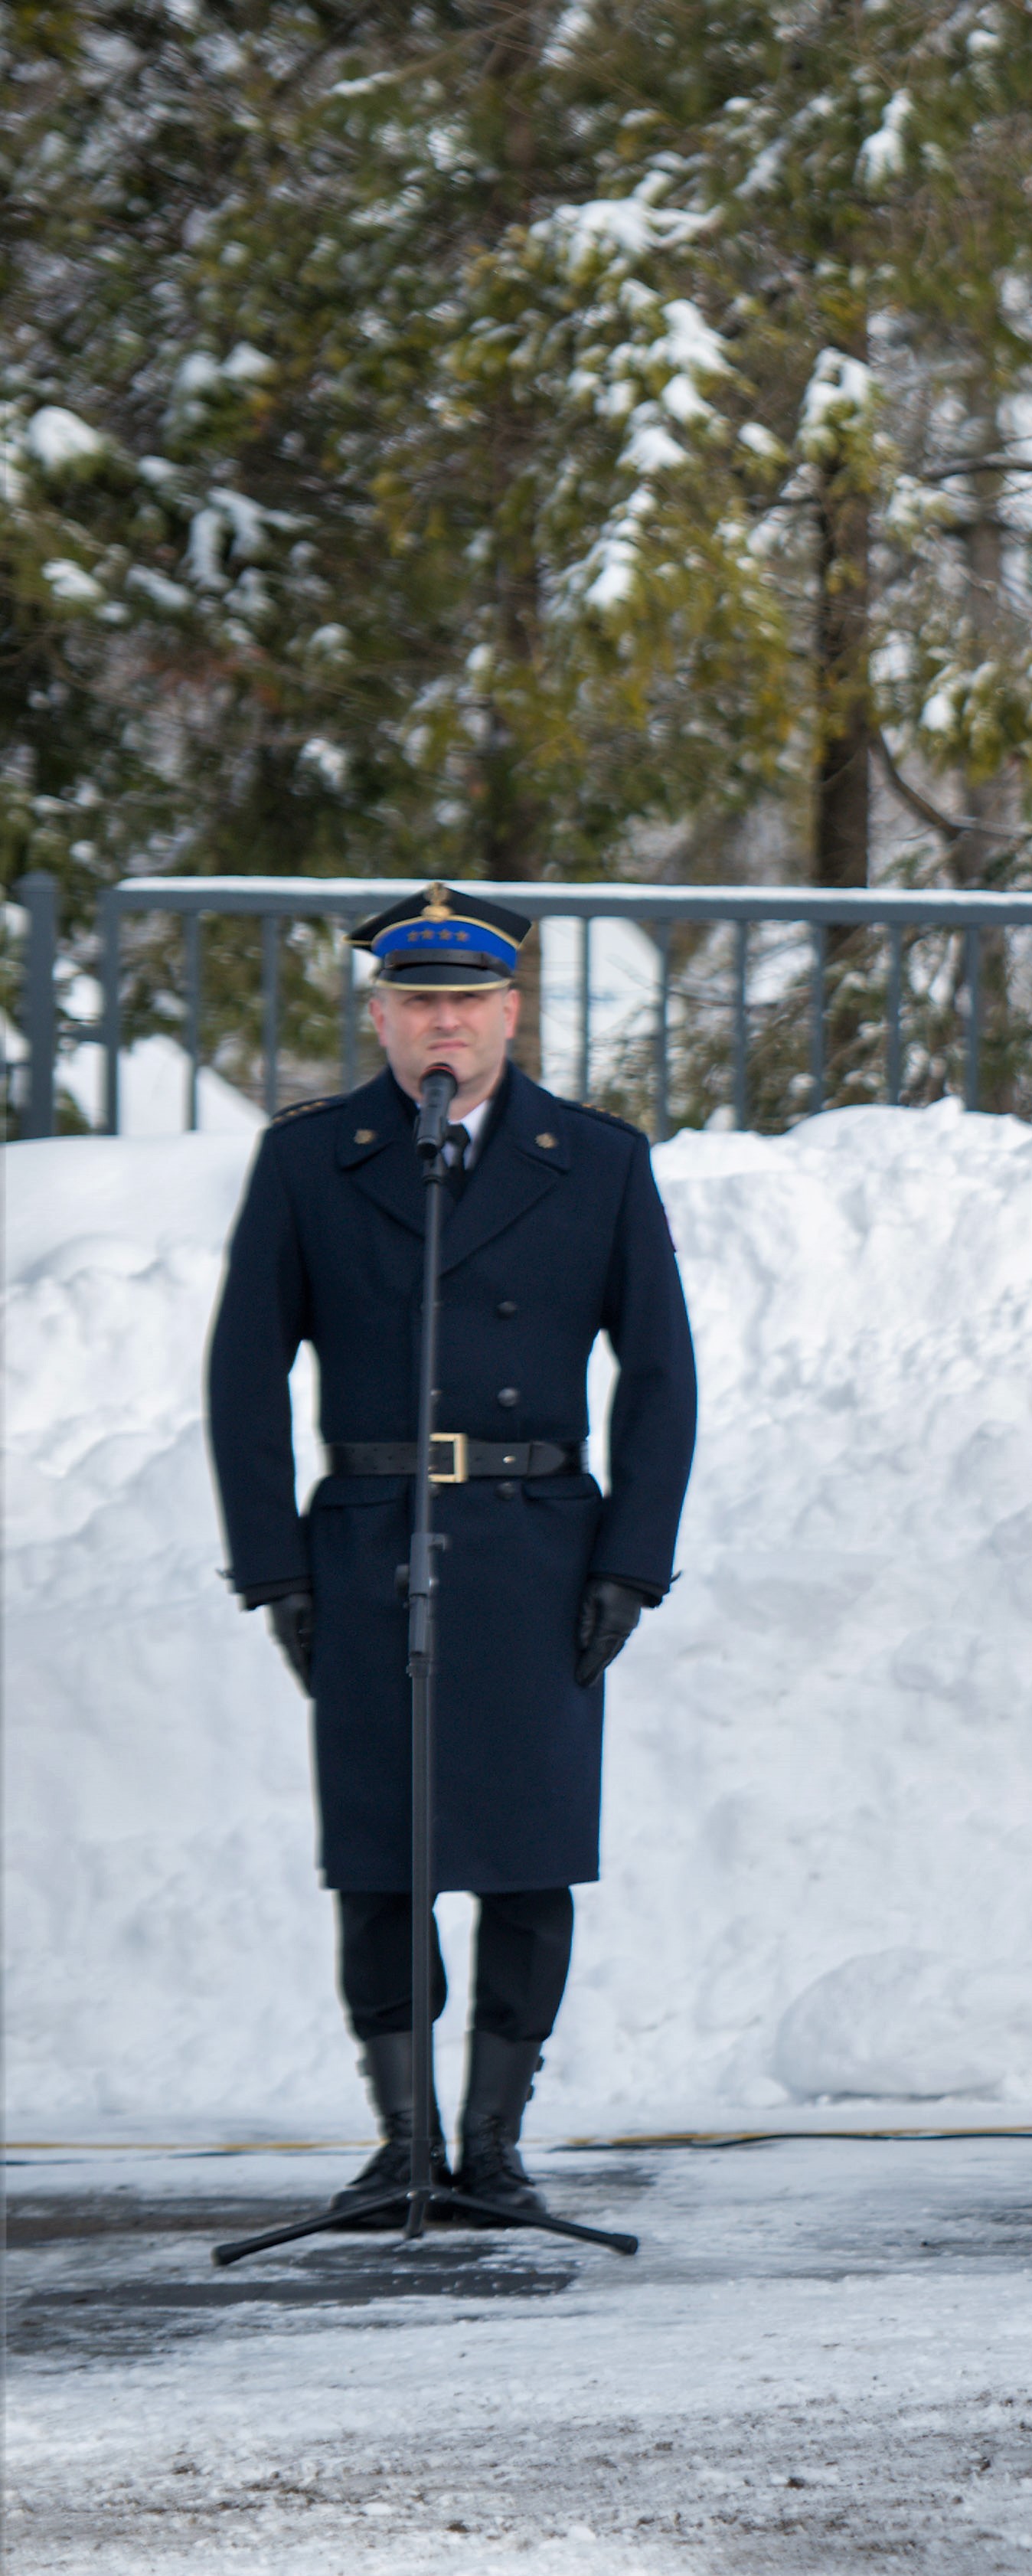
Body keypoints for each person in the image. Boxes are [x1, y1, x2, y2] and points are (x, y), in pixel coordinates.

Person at [207, 886, 697, 2216]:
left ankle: (495, 2143)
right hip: (370, 1545)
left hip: (540, 1551)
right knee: (382, 1859)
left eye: (468, 1002)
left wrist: (631, 1561)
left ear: (510, 1014)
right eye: (419, 1000)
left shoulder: (595, 1161)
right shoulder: (313, 1160)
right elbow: (244, 1374)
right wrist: (276, 1570)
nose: (444, 1025)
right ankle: (404, 2141)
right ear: (378, 1017)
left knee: (531, 1857)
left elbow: (661, 1376)